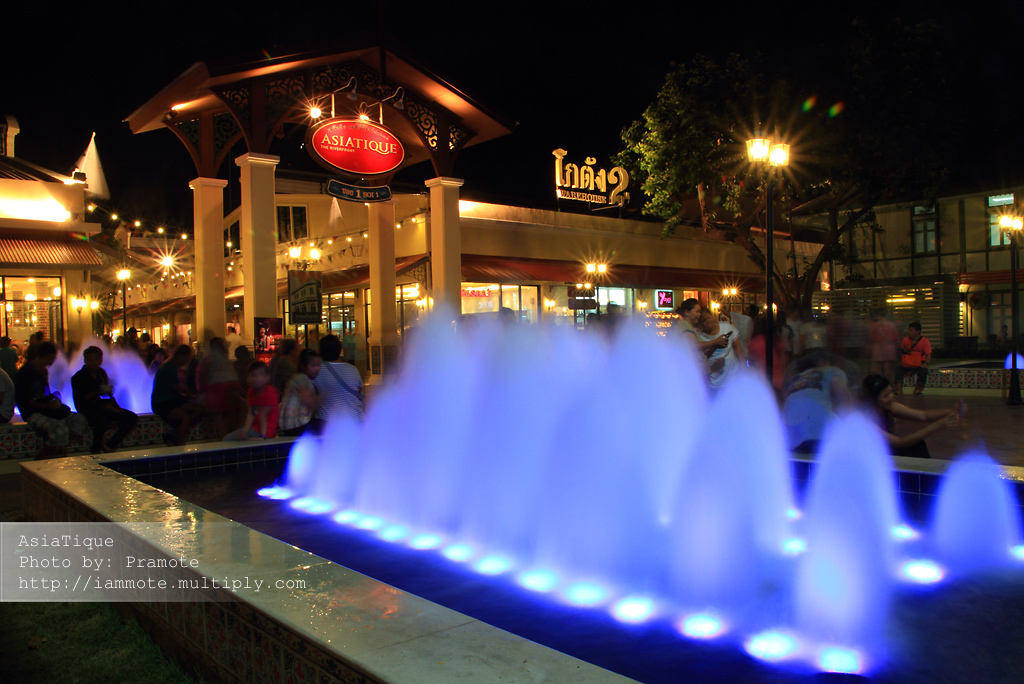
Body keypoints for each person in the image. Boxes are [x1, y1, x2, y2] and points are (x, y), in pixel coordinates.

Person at [14, 341, 90, 457]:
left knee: (79, 419)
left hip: (46, 408)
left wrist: (54, 400)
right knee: (60, 429)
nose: (54, 360)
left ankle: (59, 449)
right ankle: (47, 456)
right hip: (31, 411)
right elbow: (23, 398)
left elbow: (45, 393)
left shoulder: (43, 371)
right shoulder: (25, 371)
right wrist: (44, 406)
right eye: (53, 357)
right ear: (47, 356)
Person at [863, 374, 964, 459]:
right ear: (872, 400)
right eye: (886, 396)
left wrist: (953, 411)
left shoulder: (889, 407)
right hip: (877, 458)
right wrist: (938, 425)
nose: (891, 397)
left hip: (889, 451)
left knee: (918, 445)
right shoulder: (866, 420)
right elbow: (901, 442)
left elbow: (924, 415)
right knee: (913, 446)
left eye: (891, 392)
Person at [781, 350, 852, 453]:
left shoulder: (793, 380)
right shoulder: (830, 371)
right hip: (821, 434)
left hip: (790, 439)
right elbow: (842, 394)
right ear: (822, 362)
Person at [71, 346, 139, 454]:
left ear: (100, 360)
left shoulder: (101, 373)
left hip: (101, 406)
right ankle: (96, 450)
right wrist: (98, 393)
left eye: (95, 360)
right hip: (86, 409)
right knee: (100, 419)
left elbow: (106, 393)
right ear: (85, 360)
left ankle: (111, 445)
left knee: (132, 417)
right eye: (89, 360)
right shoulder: (78, 377)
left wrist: (114, 404)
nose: (92, 363)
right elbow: (80, 400)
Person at [151, 345, 204, 446]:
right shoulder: (168, 367)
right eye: (186, 358)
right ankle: (176, 442)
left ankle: (177, 432)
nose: (186, 362)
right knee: (185, 418)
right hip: (162, 403)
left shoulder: (173, 367)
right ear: (181, 356)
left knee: (199, 409)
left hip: (173, 400)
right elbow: (177, 388)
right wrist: (194, 394)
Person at [310, 334, 364, 433]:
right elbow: (360, 393)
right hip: (356, 422)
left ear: (320, 351)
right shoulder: (353, 369)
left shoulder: (317, 370)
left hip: (330, 426)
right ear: (340, 350)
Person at [197, 337, 244, 439]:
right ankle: (231, 435)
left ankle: (224, 437)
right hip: (229, 387)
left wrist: (202, 392)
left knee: (221, 416)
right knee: (231, 413)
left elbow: (203, 376)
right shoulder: (226, 360)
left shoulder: (209, 360)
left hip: (217, 389)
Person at [224, 361, 279, 440]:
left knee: (228, 439)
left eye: (257, 375)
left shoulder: (270, 392)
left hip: (267, 431)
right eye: (251, 375)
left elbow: (262, 416)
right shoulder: (251, 391)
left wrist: (262, 437)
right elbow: (251, 413)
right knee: (230, 439)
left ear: (267, 377)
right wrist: (245, 431)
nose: (254, 379)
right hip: (256, 428)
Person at [698, 308, 745, 388]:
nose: (708, 322)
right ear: (701, 324)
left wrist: (743, 366)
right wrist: (715, 344)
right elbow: (703, 357)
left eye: (709, 318)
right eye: (704, 321)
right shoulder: (700, 336)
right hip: (714, 380)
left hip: (732, 376)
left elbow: (737, 347)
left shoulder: (726, 326)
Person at [279, 349, 321, 437]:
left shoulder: (297, 378)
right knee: (328, 427)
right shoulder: (303, 378)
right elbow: (308, 401)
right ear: (303, 366)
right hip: (296, 424)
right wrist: (318, 398)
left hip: (287, 425)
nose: (317, 368)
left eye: (318, 365)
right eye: (313, 365)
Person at [896, 321, 931, 395]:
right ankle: (899, 390)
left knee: (923, 371)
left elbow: (928, 354)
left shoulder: (925, 341)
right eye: (909, 330)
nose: (909, 332)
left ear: (918, 332)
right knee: (899, 370)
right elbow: (903, 351)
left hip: (919, 362)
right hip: (908, 362)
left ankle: (917, 390)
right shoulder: (906, 340)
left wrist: (926, 363)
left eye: (911, 330)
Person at [868, 310, 899, 386]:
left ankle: (882, 385)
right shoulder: (891, 325)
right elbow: (896, 337)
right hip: (888, 348)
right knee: (887, 368)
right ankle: (887, 385)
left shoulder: (875, 325)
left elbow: (870, 336)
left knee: (879, 368)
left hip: (879, 347)